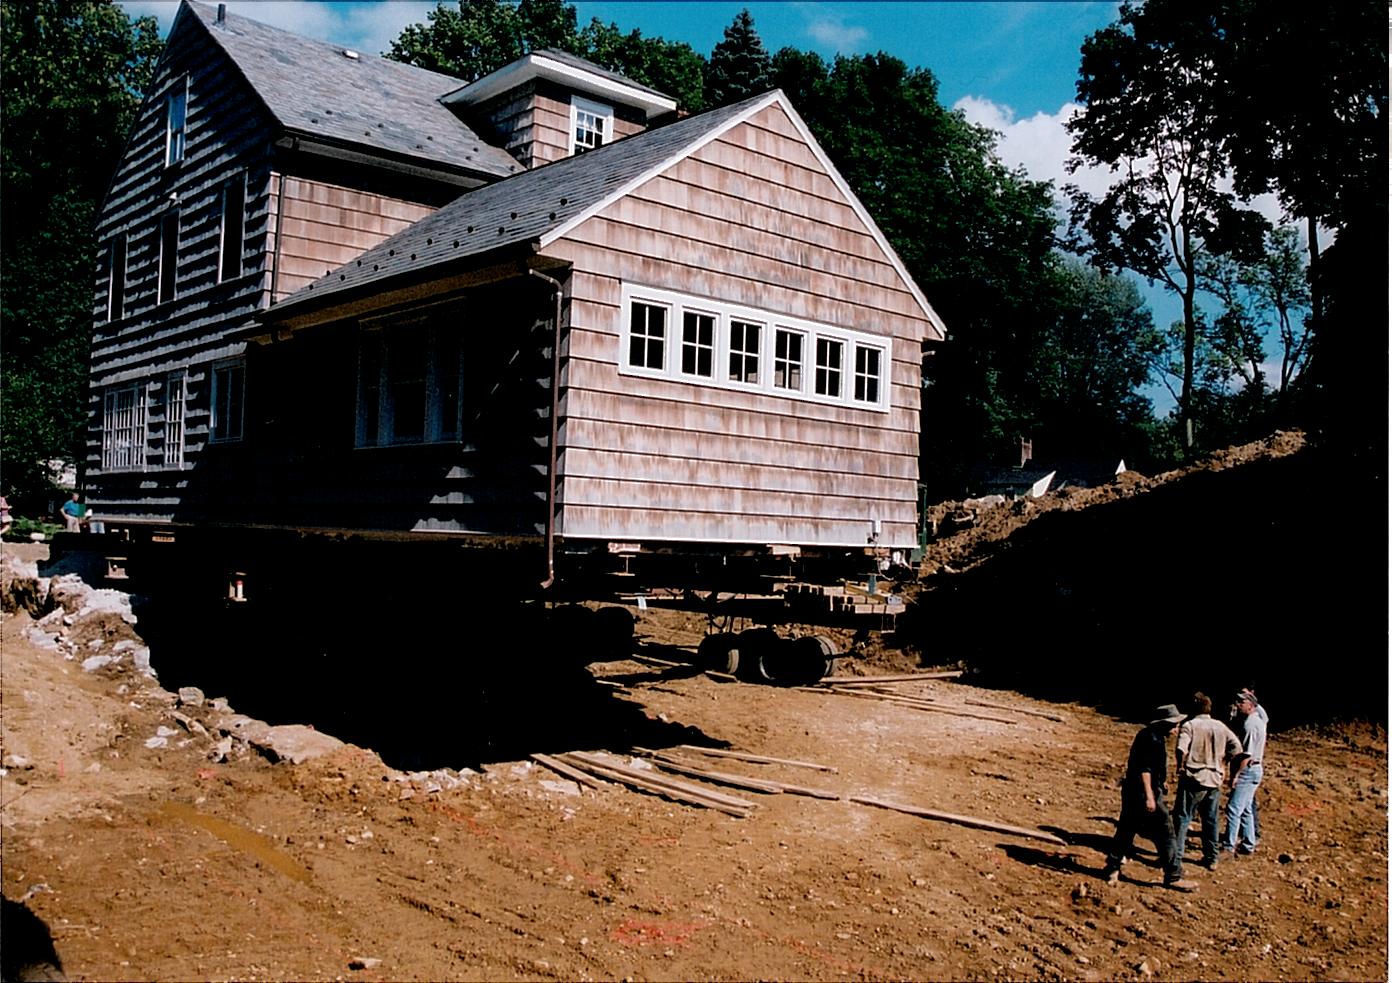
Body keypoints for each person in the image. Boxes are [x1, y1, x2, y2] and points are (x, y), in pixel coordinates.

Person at [1101, 703, 1196, 891]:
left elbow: (1150, 768)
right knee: (1167, 832)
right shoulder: (1152, 739)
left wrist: (1162, 782)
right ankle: (1173, 875)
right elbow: (1145, 770)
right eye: (1175, 724)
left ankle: (1112, 868)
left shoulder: (1152, 736)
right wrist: (1150, 796)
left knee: (1126, 830)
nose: (1177, 728)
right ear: (1165, 723)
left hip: (1134, 791)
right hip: (1143, 793)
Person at [1171, 692, 1242, 876]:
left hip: (1194, 777)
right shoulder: (1220, 726)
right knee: (1210, 820)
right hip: (1214, 779)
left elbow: (1181, 748)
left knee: (1183, 818)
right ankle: (1212, 858)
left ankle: (1175, 859)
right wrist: (1223, 761)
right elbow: (1237, 747)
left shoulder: (1190, 725)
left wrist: (1180, 765)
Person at [1222, 689, 1268, 855]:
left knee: (1234, 808)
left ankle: (1228, 846)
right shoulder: (1260, 720)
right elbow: (1264, 713)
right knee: (1247, 808)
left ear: (1250, 706)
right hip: (1256, 768)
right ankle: (1249, 843)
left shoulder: (1249, 725)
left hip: (1248, 769)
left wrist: (1235, 775)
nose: (1238, 705)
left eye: (1242, 702)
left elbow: (1246, 755)